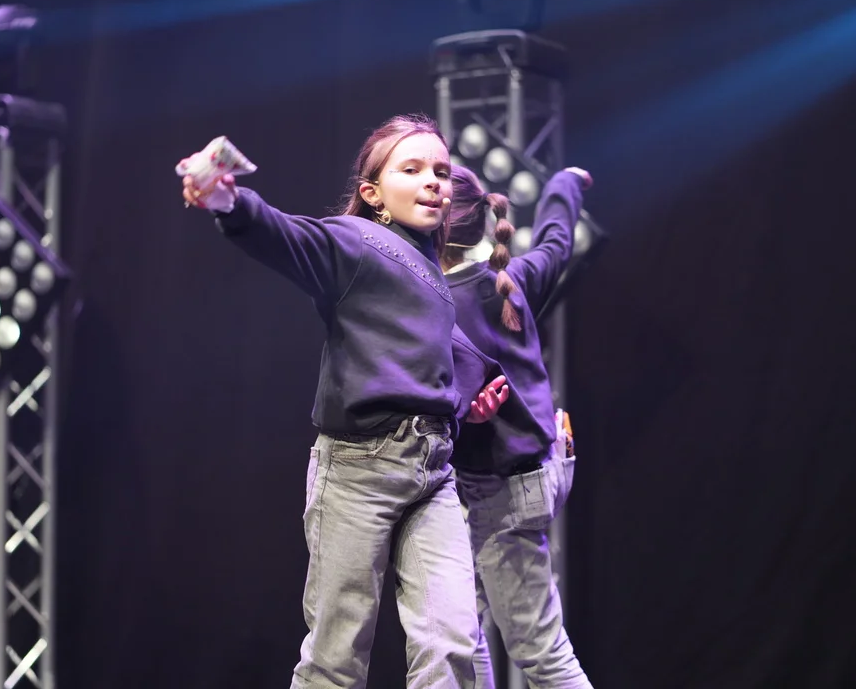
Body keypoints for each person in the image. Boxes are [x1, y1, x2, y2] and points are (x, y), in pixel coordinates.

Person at [179, 114, 509, 689]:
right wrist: (228, 200)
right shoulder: (357, 241)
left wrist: (465, 405)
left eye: (441, 171)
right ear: (372, 194)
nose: (433, 181)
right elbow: (287, 235)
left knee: (453, 641)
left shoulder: (429, 272)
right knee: (337, 657)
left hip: (432, 472)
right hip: (360, 469)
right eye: (412, 169)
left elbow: (423, 361)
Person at [440, 163, 593, 688]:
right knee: (459, 629)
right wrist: (565, 184)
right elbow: (555, 243)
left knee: (541, 652)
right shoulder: (511, 280)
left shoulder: (440, 307)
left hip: (503, 490)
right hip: (544, 466)